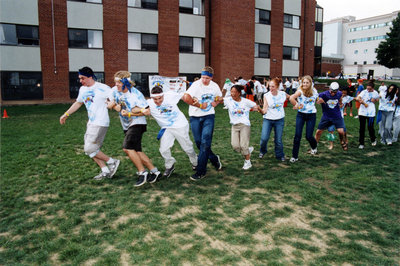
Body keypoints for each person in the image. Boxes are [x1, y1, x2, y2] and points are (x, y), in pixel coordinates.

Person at [59, 66, 120, 180]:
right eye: (79, 78)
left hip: (100, 122)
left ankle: (112, 162)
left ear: (90, 77)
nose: (80, 81)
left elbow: (114, 99)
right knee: (92, 150)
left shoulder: (103, 88)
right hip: (91, 122)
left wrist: (112, 104)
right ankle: (105, 170)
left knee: (89, 149)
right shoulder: (83, 90)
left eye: (83, 78)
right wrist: (66, 114)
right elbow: (78, 103)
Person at [109, 71, 160, 186]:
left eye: (118, 83)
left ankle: (142, 173)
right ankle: (155, 171)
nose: (116, 85)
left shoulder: (135, 94)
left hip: (138, 123)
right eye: (115, 83)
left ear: (125, 83)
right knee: (136, 151)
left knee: (127, 148)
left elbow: (145, 112)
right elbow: (109, 102)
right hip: (126, 125)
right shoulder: (114, 90)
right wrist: (115, 106)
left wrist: (130, 114)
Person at [145, 86, 198, 178]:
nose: (158, 101)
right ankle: (170, 166)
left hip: (180, 125)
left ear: (163, 95)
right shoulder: (149, 103)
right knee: (163, 149)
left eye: (160, 98)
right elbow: (139, 107)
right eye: (155, 99)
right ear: (151, 98)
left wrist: (194, 98)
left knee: (187, 147)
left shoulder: (170, 96)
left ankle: (196, 162)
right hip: (167, 128)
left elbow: (185, 95)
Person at [182, 66, 223, 180]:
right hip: (195, 116)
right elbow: (185, 98)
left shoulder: (214, 86)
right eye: (203, 77)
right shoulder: (196, 85)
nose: (204, 80)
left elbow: (220, 97)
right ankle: (214, 159)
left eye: (207, 78)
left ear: (211, 78)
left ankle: (201, 171)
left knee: (205, 143)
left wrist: (216, 102)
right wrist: (199, 105)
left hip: (209, 116)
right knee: (199, 143)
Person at [223, 84, 261, 170]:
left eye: (234, 92)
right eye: (231, 92)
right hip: (234, 126)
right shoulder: (228, 100)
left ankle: (248, 162)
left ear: (239, 93)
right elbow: (220, 99)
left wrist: (255, 108)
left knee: (243, 145)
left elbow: (255, 105)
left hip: (244, 125)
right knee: (235, 146)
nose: (232, 94)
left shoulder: (245, 101)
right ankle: (248, 150)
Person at [288, 75, 319, 163]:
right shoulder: (300, 91)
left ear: (310, 83)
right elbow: (291, 97)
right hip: (301, 115)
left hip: (311, 115)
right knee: (297, 136)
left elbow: (317, 99)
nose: (305, 84)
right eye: (303, 82)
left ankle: (314, 146)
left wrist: (319, 100)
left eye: (307, 83)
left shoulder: (314, 91)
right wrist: (296, 104)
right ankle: (294, 156)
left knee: (309, 136)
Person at [259, 78, 290, 161]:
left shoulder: (282, 94)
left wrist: (297, 104)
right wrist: (260, 110)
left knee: (278, 140)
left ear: (277, 86)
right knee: (264, 139)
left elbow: (291, 97)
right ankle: (263, 151)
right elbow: (265, 109)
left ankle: (280, 155)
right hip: (268, 119)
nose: (270, 88)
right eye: (269, 86)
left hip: (279, 120)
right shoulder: (266, 95)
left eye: (273, 86)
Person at [315, 82, 348, 151]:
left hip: (337, 116)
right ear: (329, 89)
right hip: (326, 116)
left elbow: (340, 97)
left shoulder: (339, 93)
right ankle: (314, 145)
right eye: (332, 92)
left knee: (341, 131)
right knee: (318, 132)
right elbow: (316, 97)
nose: (333, 93)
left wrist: (340, 103)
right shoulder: (324, 94)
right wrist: (318, 100)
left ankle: (342, 142)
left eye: (335, 92)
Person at [356, 82, 380, 149]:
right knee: (362, 128)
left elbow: (377, 99)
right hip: (362, 112)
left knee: (370, 127)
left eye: (369, 89)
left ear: (373, 88)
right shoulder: (364, 92)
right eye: (367, 88)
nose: (368, 90)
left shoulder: (375, 93)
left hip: (371, 113)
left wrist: (374, 100)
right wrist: (360, 100)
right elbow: (358, 97)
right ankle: (361, 143)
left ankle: (373, 139)